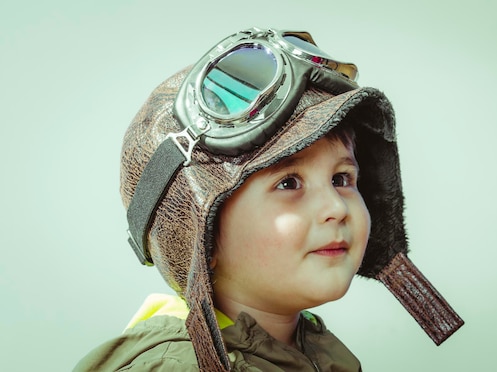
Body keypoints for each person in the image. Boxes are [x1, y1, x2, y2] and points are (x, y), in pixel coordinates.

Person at [74, 27, 463, 371]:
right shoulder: (173, 366)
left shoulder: (312, 350)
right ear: (201, 233)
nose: (335, 207)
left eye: (342, 178)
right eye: (289, 183)